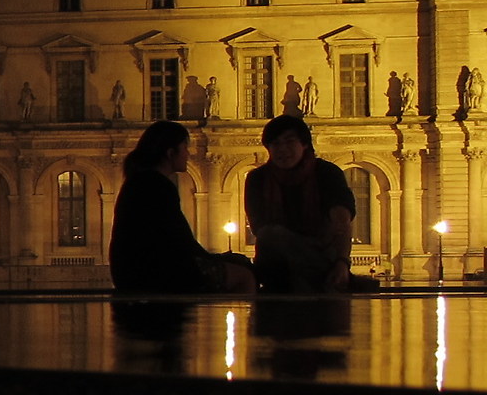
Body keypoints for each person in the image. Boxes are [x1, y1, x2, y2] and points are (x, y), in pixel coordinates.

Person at [109, 120, 255, 294]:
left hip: (132, 271)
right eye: (185, 147)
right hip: (156, 273)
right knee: (245, 276)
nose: (188, 153)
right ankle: (240, 321)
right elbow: (182, 240)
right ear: (171, 153)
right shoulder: (158, 185)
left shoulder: (139, 181)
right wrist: (217, 258)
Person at [243, 112, 359, 293]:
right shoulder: (257, 179)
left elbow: (342, 221)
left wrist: (342, 262)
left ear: (304, 144)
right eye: (275, 144)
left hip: (319, 254)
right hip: (284, 259)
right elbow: (261, 229)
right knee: (273, 235)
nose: (282, 149)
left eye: (289, 142)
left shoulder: (327, 173)